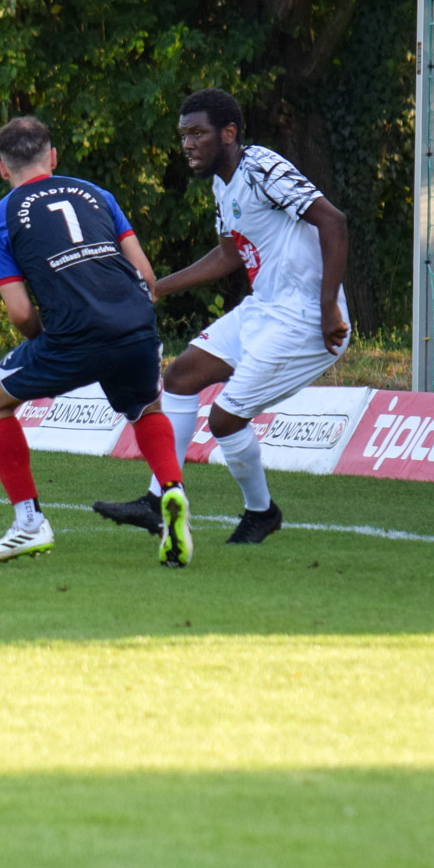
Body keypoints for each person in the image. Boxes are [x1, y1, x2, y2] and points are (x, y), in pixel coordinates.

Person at [93, 88, 349, 545]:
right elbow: (229, 255)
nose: (188, 144)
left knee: (225, 420)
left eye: (198, 133)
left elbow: (333, 221)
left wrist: (328, 304)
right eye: (183, 135)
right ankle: (158, 499)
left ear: (229, 133)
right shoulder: (222, 184)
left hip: (305, 318)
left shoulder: (262, 167)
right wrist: (159, 286)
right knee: (179, 377)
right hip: (264, 308)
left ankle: (261, 513)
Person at [0, 116, 192, 567]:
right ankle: (172, 491)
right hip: (135, 325)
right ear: (53, 157)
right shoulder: (97, 195)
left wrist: (48, 343)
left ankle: (29, 524)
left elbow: (20, 313)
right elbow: (147, 277)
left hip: (74, 336)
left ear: (1, 168)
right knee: (146, 407)